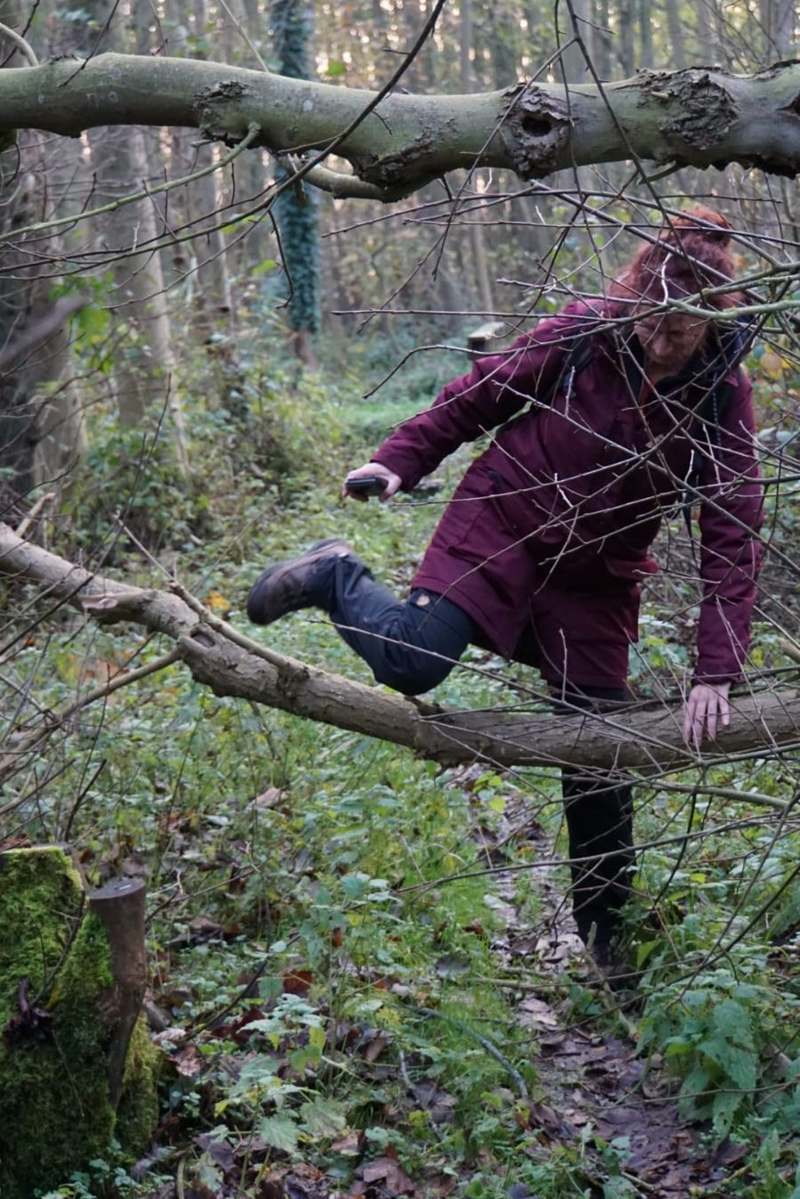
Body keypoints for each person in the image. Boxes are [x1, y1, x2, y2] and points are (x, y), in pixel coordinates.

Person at [246, 208, 764, 964]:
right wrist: (400, 459)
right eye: (650, 318)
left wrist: (716, 669)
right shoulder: (586, 331)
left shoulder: (721, 387)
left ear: (709, 320)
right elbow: (482, 393)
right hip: (506, 522)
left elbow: (732, 520)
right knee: (413, 661)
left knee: (599, 753)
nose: (658, 338)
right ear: (635, 288)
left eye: (677, 329)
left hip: (596, 579)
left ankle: (606, 940)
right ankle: (334, 573)